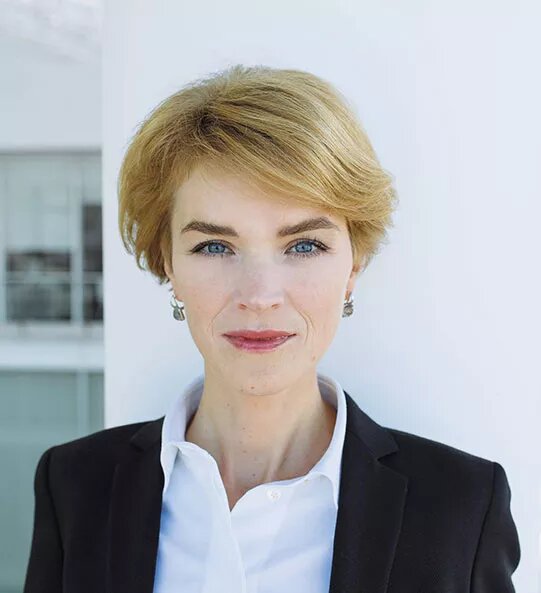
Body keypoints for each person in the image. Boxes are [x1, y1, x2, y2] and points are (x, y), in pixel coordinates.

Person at [23, 64, 520, 593]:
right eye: (214, 246)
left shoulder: (461, 506)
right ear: (168, 261)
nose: (259, 295)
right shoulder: (74, 485)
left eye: (304, 245)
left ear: (354, 264)